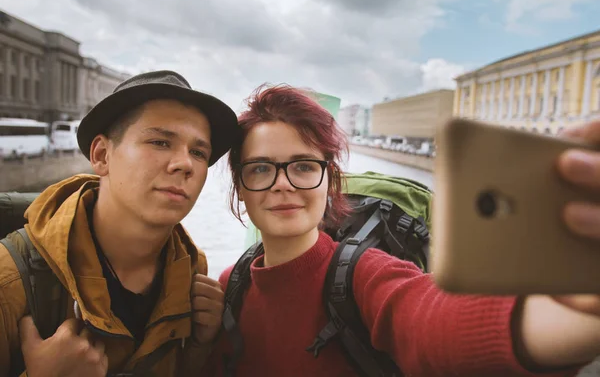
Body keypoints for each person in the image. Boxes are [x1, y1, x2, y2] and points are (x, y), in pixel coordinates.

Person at [200, 83, 600, 376]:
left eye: (304, 165)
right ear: (240, 187)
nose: (282, 183)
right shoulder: (230, 285)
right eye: (261, 168)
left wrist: (567, 315)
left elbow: (432, 321)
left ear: (330, 181)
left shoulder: (364, 276)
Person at [0, 70, 239, 377]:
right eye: (160, 142)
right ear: (101, 155)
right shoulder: (11, 280)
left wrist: (199, 347)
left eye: (198, 152)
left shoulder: (191, 275)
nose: (185, 163)